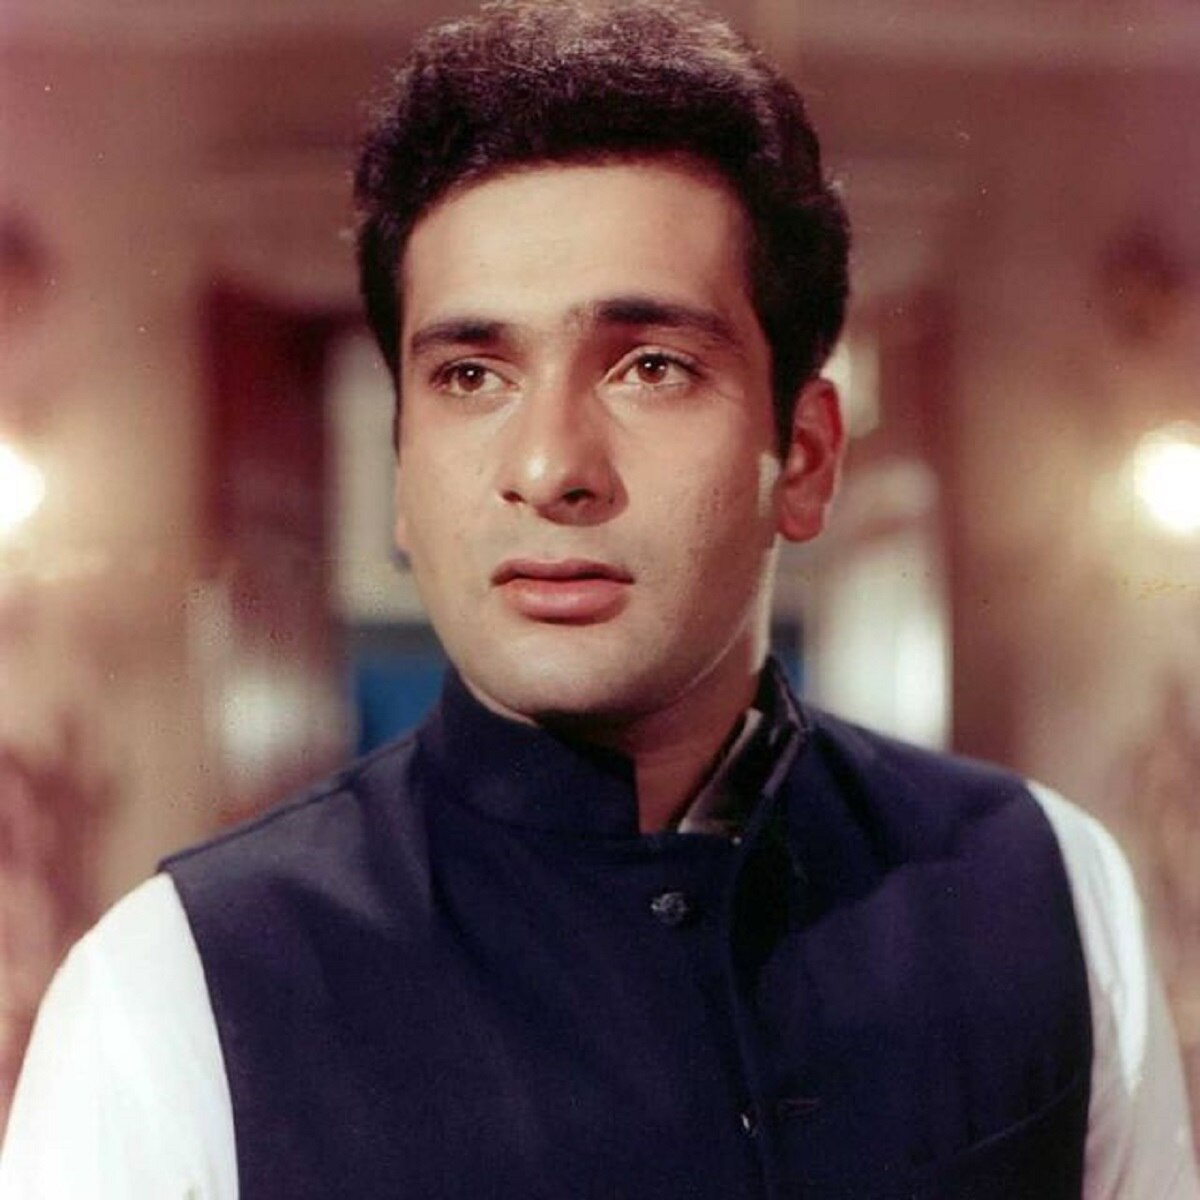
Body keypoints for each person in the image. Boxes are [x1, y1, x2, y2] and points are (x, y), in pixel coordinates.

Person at [2, 1, 1197, 1196]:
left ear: (807, 456)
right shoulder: (172, 993)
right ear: (404, 473)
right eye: (471, 375)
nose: (548, 466)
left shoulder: (1044, 887)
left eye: (652, 367)